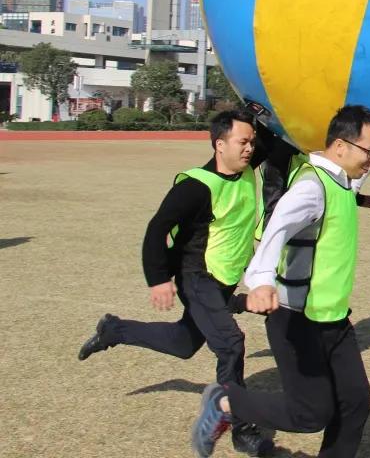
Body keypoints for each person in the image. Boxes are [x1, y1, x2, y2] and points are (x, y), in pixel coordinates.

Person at [77, 108, 279, 457]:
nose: (250, 148)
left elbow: (275, 141)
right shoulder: (196, 188)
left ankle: (114, 330)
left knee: (183, 343)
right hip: (196, 277)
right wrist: (158, 280)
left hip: (223, 280)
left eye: (251, 142)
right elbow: (157, 229)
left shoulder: (244, 165)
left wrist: (254, 112)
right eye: (242, 142)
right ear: (220, 144)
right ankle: (241, 428)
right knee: (231, 344)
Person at [191, 105, 370, 458]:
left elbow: (356, 178)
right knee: (310, 414)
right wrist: (262, 280)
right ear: (340, 146)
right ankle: (224, 401)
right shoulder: (312, 187)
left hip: (334, 320)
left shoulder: (343, 180)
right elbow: (276, 228)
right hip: (296, 321)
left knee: (356, 402)